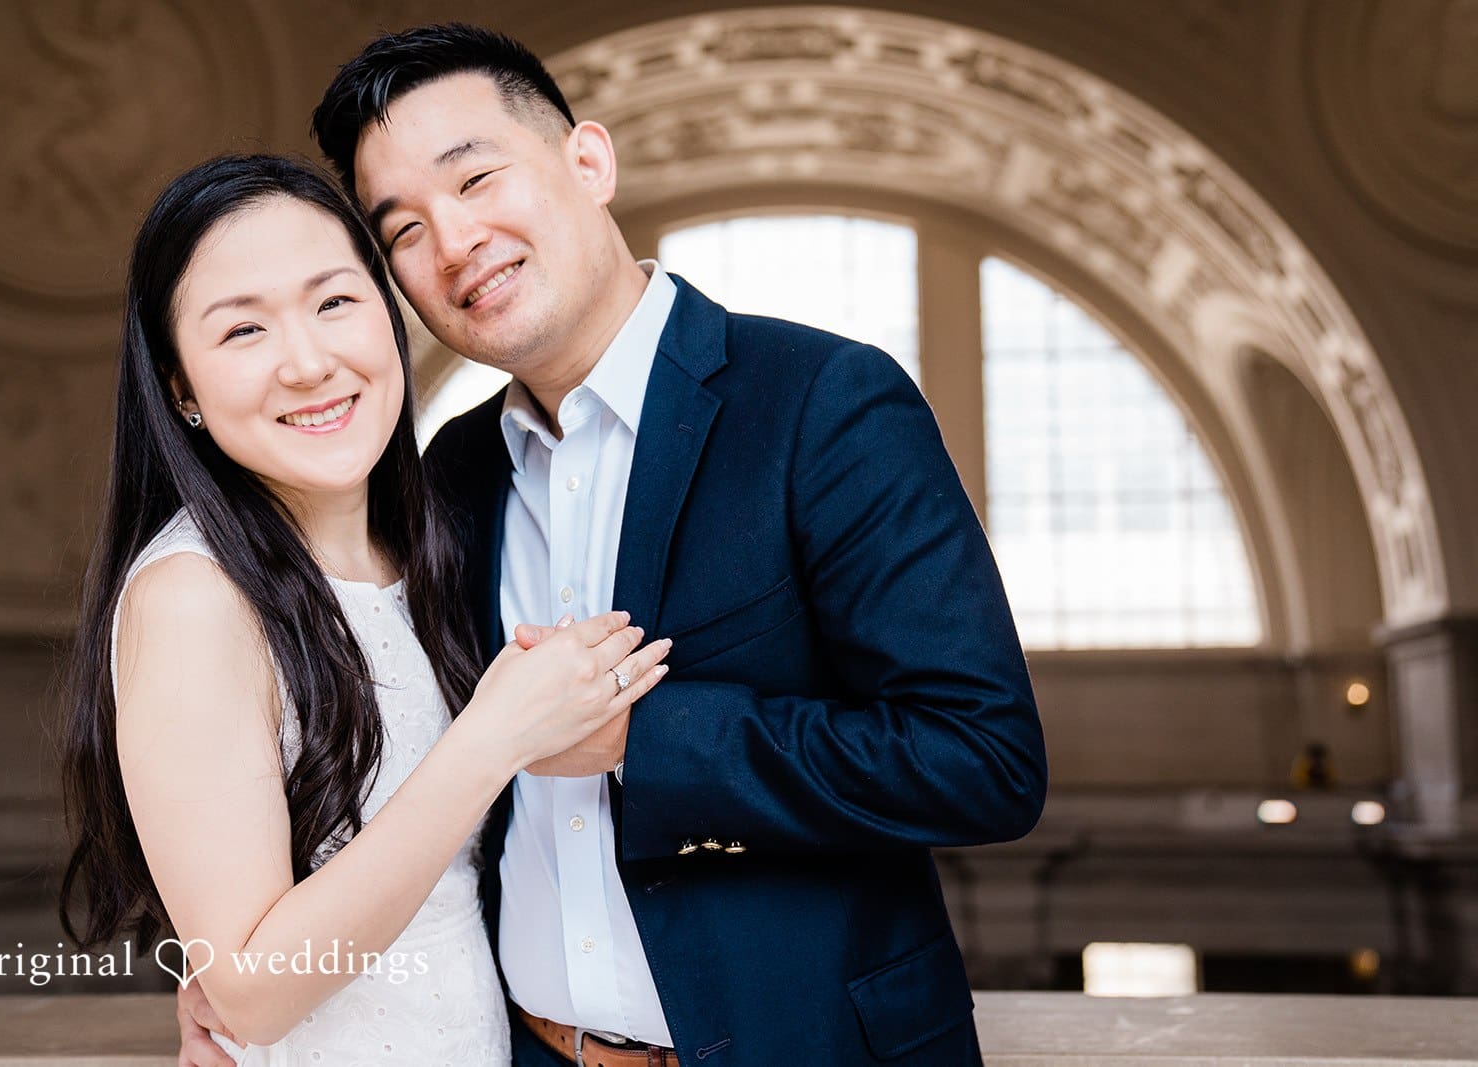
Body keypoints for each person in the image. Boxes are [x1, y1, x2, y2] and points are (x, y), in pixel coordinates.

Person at [180, 23, 1047, 1066]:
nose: (452, 242)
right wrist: (234, 965)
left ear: (589, 161)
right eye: (402, 230)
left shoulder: (820, 403)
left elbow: (982, 759)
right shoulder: (447, 473)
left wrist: (645, 738)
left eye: (475, 179)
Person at [57, 153, 672, 1065]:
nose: (310, 363)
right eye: (243, 330)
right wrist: (492, 739)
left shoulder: (428, 533)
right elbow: (254, 992)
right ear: (180, 386)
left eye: (335, 301)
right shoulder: (193, 595)